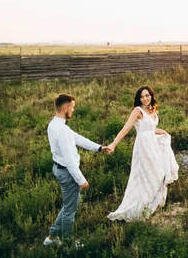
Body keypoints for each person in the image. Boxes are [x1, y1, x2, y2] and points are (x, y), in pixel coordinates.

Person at [44, 94, 113, 248]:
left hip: (59, 169)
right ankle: (68, 244)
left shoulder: (55, 125)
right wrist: (81, 180)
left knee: (67, 206)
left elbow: (78, 138)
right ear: (65, 108)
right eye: (72, 107)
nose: (73, 110)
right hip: (67, 172)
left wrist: (99, 148)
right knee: (70, 211)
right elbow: (69, 160)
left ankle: (52, 236)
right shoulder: (61, 130)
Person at [107, 86, 179, 221]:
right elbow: (126, 129)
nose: (145, 99)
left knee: (158, 173)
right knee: (145, 176)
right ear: (138, 99)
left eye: (147, 95)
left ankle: (152, 203)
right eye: (142, 97)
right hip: (143, 147)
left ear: (151, 96)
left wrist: (162, 131)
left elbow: (150, 128)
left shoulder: (152, 110)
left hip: (153, 145)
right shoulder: (137, 111)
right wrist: (113, 144)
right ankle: (139, 206)